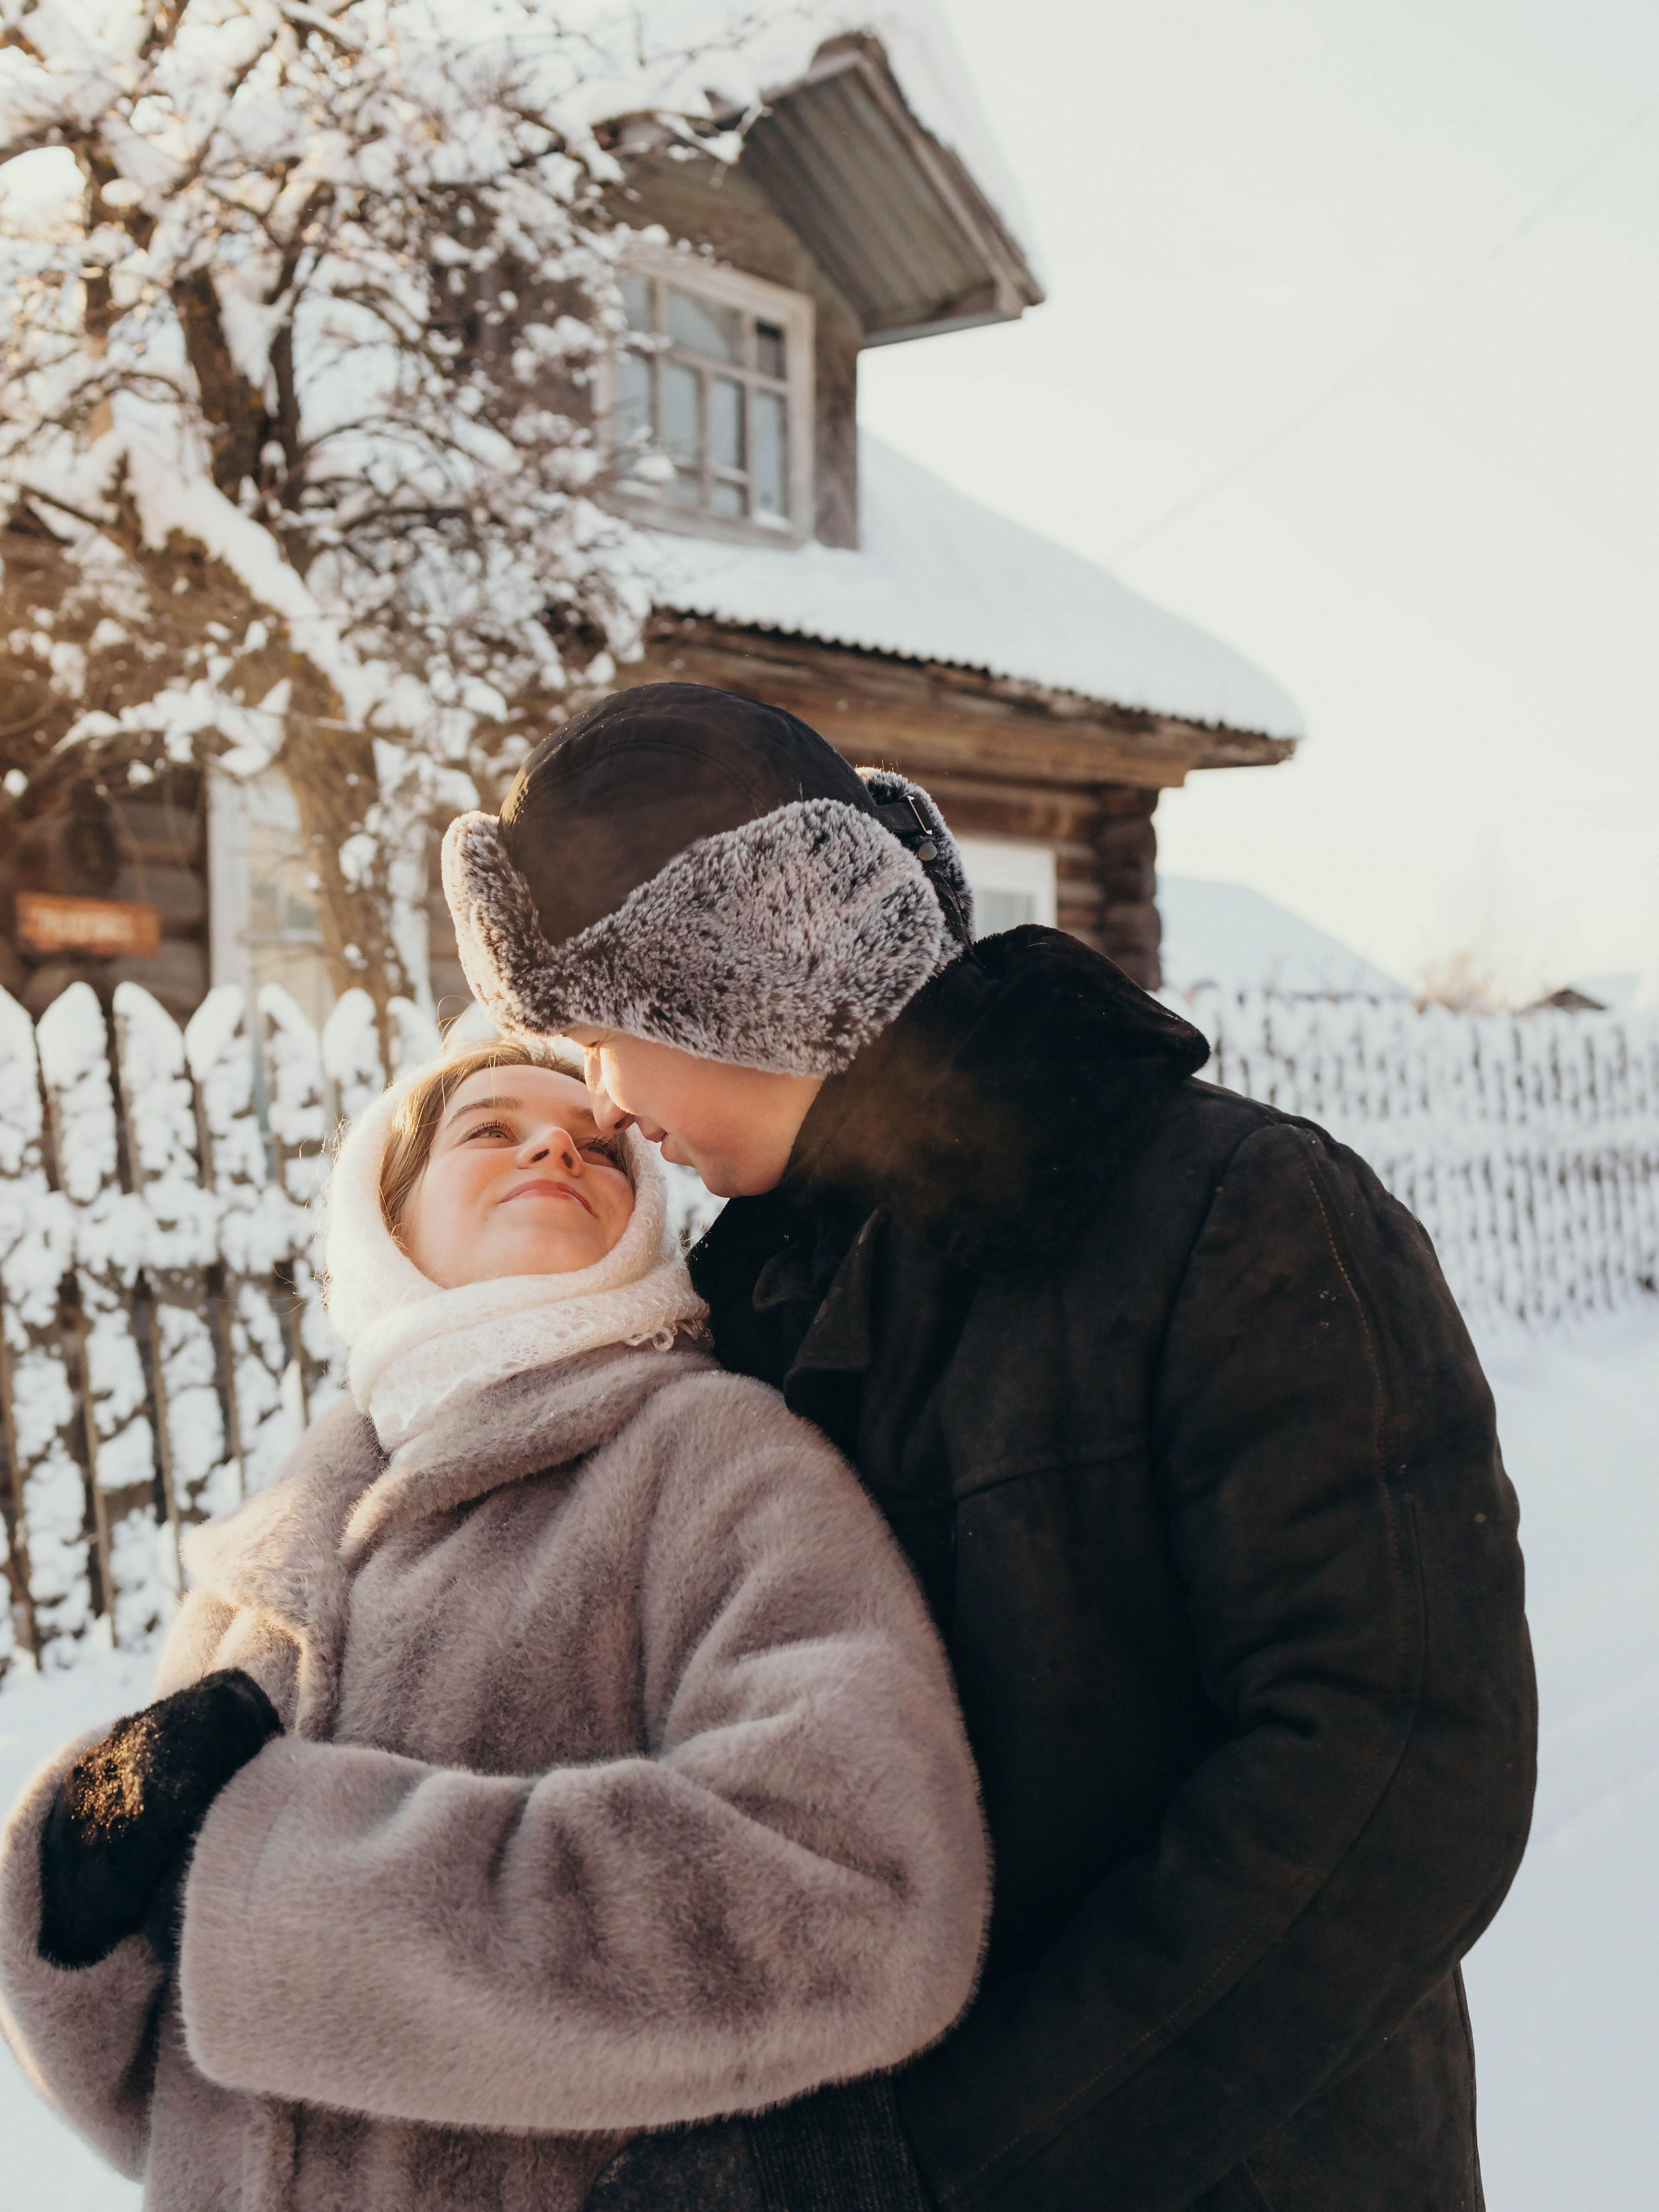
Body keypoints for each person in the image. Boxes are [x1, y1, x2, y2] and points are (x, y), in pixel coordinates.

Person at [439, 681, 1539, 2212]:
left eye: (605, 1022)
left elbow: (1397, 1772)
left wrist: (933, 2171)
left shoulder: (1238, 1212)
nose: (604, 1099)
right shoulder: (738, 1314)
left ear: (741, 968)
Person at [0, 1038, 990, 2212]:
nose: (558, 1141)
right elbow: (163, 2087)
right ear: (389, 1213)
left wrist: (294, 1887)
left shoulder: (713, 1459)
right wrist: (75, 1894)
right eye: (488, 1127)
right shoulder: (274, 1551)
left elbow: (858, 1887)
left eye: (608, 1144)